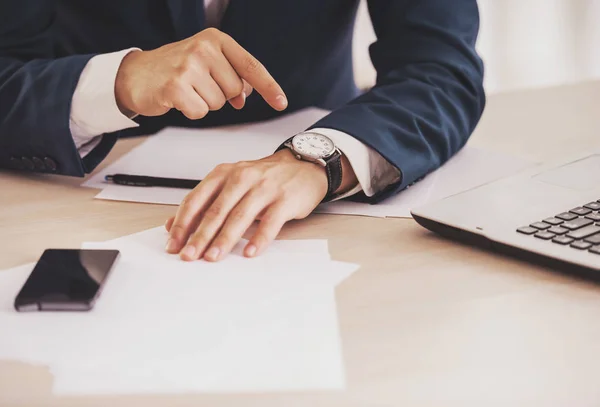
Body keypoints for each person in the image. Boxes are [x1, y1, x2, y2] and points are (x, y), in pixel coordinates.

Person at [0, 0, 485, 262]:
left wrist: (319, 159)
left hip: (317, 204)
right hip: (74, 198)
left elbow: (440, 69)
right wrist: (118, 82)